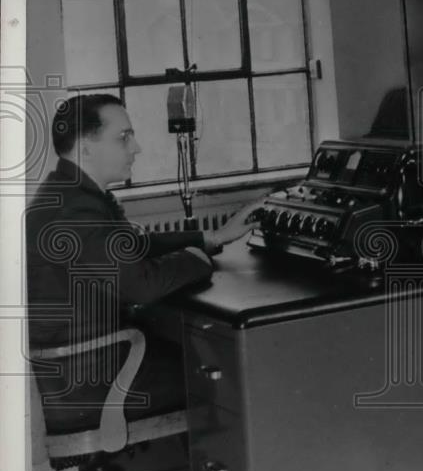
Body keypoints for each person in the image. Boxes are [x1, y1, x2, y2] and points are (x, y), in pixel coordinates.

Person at [26, 93, 259, 436]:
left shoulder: (68, 193)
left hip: (78, 371)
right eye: (123, 137)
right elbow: (143, 284)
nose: (136, 148)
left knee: (201, 352)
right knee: (231, 370)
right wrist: (197, 259)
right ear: (85, 148)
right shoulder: (78, 210)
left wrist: (209, 238)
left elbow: (129, 246)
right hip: (94, 381)